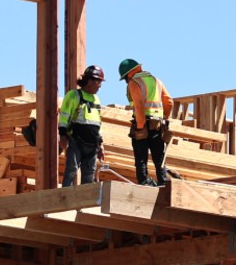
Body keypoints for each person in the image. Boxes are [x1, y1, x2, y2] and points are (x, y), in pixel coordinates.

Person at [118, 58, 172, 186]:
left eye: (125, 77)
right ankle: (163, 182)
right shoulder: (156, 80)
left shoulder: (134, 82)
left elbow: (139, 105)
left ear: (129, 73)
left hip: (143, 123)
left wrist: (141, 126)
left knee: (141, 157)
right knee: (159, 157)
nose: (126, 80)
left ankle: (144, 182)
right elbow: (169, 101)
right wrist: (164, 117)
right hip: (157, 124)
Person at [58, 64, 106, 185]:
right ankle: (65, 198)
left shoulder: (96, 100)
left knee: (89, 174)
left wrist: (100, 144)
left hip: (92, 144)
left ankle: (86, 202)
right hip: (75, 141)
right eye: (98, 81)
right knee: (71, 170)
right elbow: (64, 116)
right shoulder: (74, 95)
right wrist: (63, 136)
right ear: (90, 81)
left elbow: (97, 123)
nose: (100, 85)